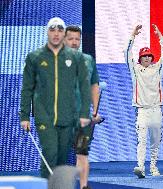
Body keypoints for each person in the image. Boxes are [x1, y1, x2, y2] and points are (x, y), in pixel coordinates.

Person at [20, 17, 91, 179]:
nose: (56, 34)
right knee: (50, 152)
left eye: (60, 30)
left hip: (68, 116)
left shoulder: (75, 58)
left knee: (61, 156)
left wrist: (84, 113)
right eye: (52, 30)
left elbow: (84, 87)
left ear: (64, 33)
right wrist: (24, 116)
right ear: (47, 32)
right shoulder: (35, 57)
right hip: (44, 116)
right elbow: (27, 88)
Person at [123, 24, 163, 178]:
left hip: (156, 109)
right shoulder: (135, 70)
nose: (147, 58)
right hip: (142, 111)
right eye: (144, 56)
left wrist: (159, 36)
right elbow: (126, 52)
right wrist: (133, 35)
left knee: (155, 141)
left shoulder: (158, 68)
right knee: (141, 140)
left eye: (149, 56)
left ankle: (153, 166)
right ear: (140, 58)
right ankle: (141, 167)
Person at [64, 25, 101, 189]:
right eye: (70, 38)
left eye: (77, 39)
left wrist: (95, 111)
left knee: (82, 153)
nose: (74, 42)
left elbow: (94, 86)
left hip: (83, 118)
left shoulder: (88, 60)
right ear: (64, 39)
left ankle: (83, 186)